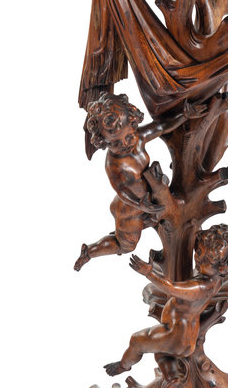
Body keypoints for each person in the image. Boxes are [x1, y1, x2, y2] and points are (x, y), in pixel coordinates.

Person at [74, 92, 204, 270]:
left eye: (129, 136)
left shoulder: (139, 138)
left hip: (151, 201)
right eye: (115, 143)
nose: (125, 144)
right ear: (103, 142)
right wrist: (140, 204)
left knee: (178, 219)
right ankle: (89, 252)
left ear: (134, 124)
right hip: (130, 210)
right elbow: (121, 190)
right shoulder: (114, 164)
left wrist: (185, 115)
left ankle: (182, 261)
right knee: (125, 245)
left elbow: (161, 127)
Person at [104, 224, 228, 376]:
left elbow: (172, 288)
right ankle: (173, 377)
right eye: (198, 252)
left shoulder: (201, 287)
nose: (197, 258)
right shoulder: (216, 279)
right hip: (186, 337)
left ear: (222, 267)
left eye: (205, 259)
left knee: (136, 341)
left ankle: (123, 366)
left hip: (175, 335)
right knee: (160, 352)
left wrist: (149, 273)